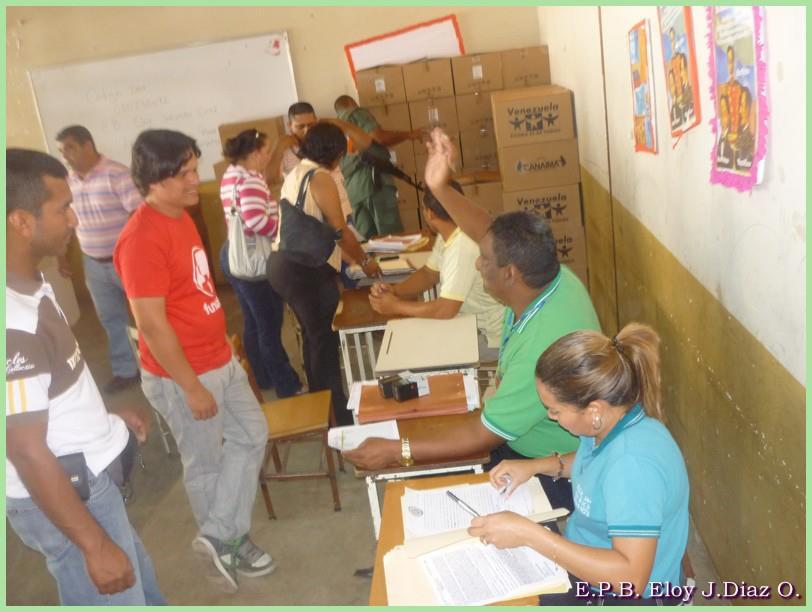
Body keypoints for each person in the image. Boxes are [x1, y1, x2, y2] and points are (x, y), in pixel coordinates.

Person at [344, 129, 600, 510]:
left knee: (436, 488)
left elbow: (483, 434)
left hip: (551, 471)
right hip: (524, 442)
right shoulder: (552, 277)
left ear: (510, 273)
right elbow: (487, 230)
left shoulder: (544, 352)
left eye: (485, 261)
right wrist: (439, 186)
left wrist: (400, 450)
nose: (478, 263)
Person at [114, 129, 273, 591]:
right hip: (185, 373)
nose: (195, 180)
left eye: (193, 169)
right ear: (155, 179)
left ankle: (218, 534)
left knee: (251, 434)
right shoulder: (141, 237)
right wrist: (191, 386)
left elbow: (195, 292)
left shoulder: (180, 216)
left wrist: (221, 347)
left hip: (217, 358)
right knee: (205, 465)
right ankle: (228, 542)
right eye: (184, 173)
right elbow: (152, 324)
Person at [6, 148, 164, 605]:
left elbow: (42, 398)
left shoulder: (32, 286)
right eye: (62, 208)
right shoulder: (13, 321)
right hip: (67, 497)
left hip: (84, 480)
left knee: (144, 592)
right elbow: (24, 448)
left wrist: (104, 417)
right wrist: (93, 544)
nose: (73, 219)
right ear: (21, 221)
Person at [469, 323, 689, 605]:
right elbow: (593, 463)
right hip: (586, 563)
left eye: (555, 410)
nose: (550, 416)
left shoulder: (633, 466)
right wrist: (536, 466)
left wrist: (528, 534)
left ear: (593, 410)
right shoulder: (610, 423)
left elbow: (631, 579)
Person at [268, 122, 381, 427]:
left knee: (313, 337)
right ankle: (337, 416)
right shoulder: (320, 178)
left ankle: (324, 407)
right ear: (334, 152)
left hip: (286, 265)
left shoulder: (296, 172)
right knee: (324, 340)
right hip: (303, 269)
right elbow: (339, 232)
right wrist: (365, 261)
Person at [368, 181, 505, 361]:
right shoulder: (450, 232)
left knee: (415, 355)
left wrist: (395, 306)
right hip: (467, 323)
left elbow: (446, 309)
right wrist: (395, 291)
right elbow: (429, 273)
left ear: (429, 213)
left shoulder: (462, 246)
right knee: (415, 339)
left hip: (488, 337)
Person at [55, 125, 141, 393]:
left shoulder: (117, 174)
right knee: (111, 319)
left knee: (149, 315)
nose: (65, 155)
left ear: (88, 145)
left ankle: (165, 365)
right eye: (61, 151)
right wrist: (62, 255)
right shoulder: (68, 182)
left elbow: (139, 216)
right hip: (92, 262)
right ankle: (127, 370)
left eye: (70, 148)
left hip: (127, 261)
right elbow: (66, 223)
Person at [219, 128, 301, 397]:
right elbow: (257, 222)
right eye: (266, 152)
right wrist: (284, 227)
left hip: (236, 257)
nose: (268, 157)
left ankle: (262, 377)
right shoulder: (251, 180)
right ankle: (286, 384)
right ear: (254, 154)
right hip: (256, 263)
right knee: (269, 326)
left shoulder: (231, 174)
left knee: (254, 323)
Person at [334, 95, 424, 238]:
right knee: (391, 238)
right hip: (373, 184)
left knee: (369, 242)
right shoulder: (356, 113)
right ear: (352, 103)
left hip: (353, 194)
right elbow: (378, 137)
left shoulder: (335, 128)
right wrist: (409, 134)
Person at [734, 88, 755, 172]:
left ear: (749, 108)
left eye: (742, 106)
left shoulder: (751, 135)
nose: (739, 111)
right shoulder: (740, 132)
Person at [715, 95, 735, 170]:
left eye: (724, 112)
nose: (721, 117)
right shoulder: (717, 135)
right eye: (721, 113)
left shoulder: (732, 138)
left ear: (729, 116)